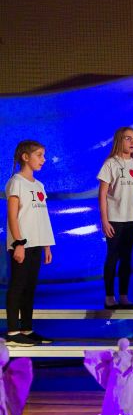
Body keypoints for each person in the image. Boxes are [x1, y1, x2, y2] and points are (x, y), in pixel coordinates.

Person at [5, 140, 55, 346]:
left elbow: (42, 218)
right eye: (39, 155)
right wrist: (18, 243)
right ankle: (12, 331)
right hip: (22, 244)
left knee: (30, 287)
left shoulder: (39, 185)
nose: (44, 159)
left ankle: (26, 328)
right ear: (26, 157)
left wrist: (46, 245)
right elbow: (12, 216)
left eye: (44, 155)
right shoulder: (16, 182)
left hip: (36, 243)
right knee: (18, 286)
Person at [98, 126, 133, 310]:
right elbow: (102, 194)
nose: (132, 142)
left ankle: (124, 296)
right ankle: (110, 297)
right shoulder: (111, 163)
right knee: (113, 256)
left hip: (132, 220)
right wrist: (105, 220)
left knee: (126, 257)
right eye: (128, 138)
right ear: (119, 140)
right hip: (115, 219)